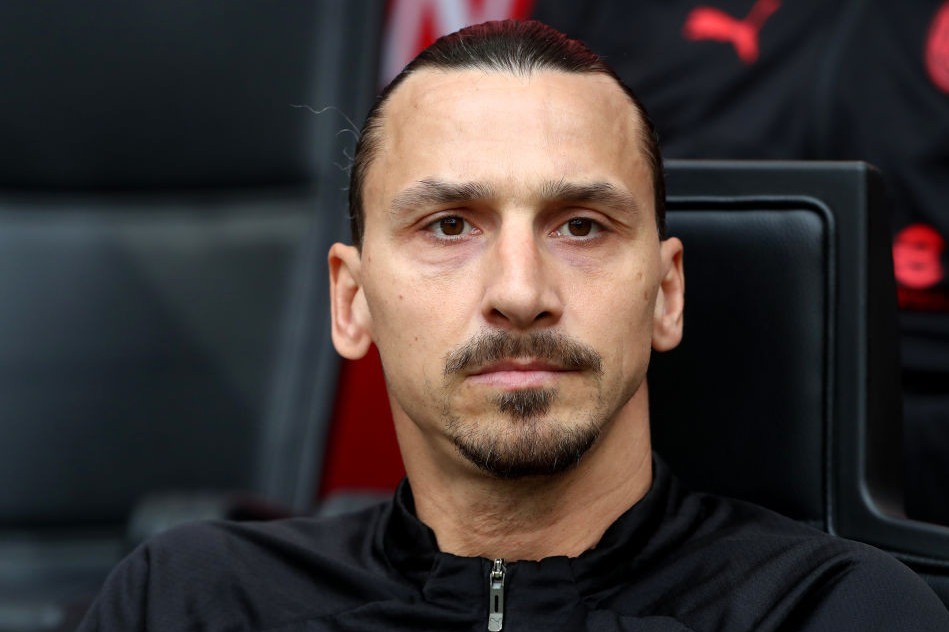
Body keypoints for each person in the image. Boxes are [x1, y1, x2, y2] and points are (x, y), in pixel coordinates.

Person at [77, 20, 949, 631]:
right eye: (449, 225)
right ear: (350, 301)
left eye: (581, 227)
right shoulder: (191, 600)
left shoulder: (835, 611)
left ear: (665, 294)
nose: (521, 291)